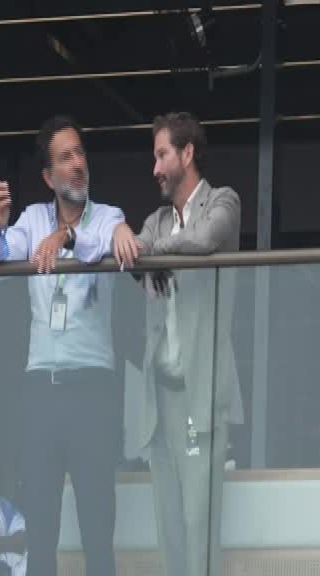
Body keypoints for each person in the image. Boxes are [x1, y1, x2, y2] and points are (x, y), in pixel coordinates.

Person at [0, 115, 137, 576]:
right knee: (41, 528)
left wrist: (65, 235)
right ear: (49, 177)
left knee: (97, 528)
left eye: (80, 153)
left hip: (93, 388)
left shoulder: (108, 217)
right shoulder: (31, 219)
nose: (78, 164)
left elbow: (100, 246)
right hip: (41, 390)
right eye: (66, 157)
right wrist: (0, 225)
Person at [114, 111, 243, 576]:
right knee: (168, 531)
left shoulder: (223, 201)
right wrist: (122, 233)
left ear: (188, 154)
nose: (155, 168)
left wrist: (155, 251)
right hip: (160, 396)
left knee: (198, 529)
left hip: (200, 393)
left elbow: (205, 240)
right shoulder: (155, 220)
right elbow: (130, 253)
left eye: (162, 155)